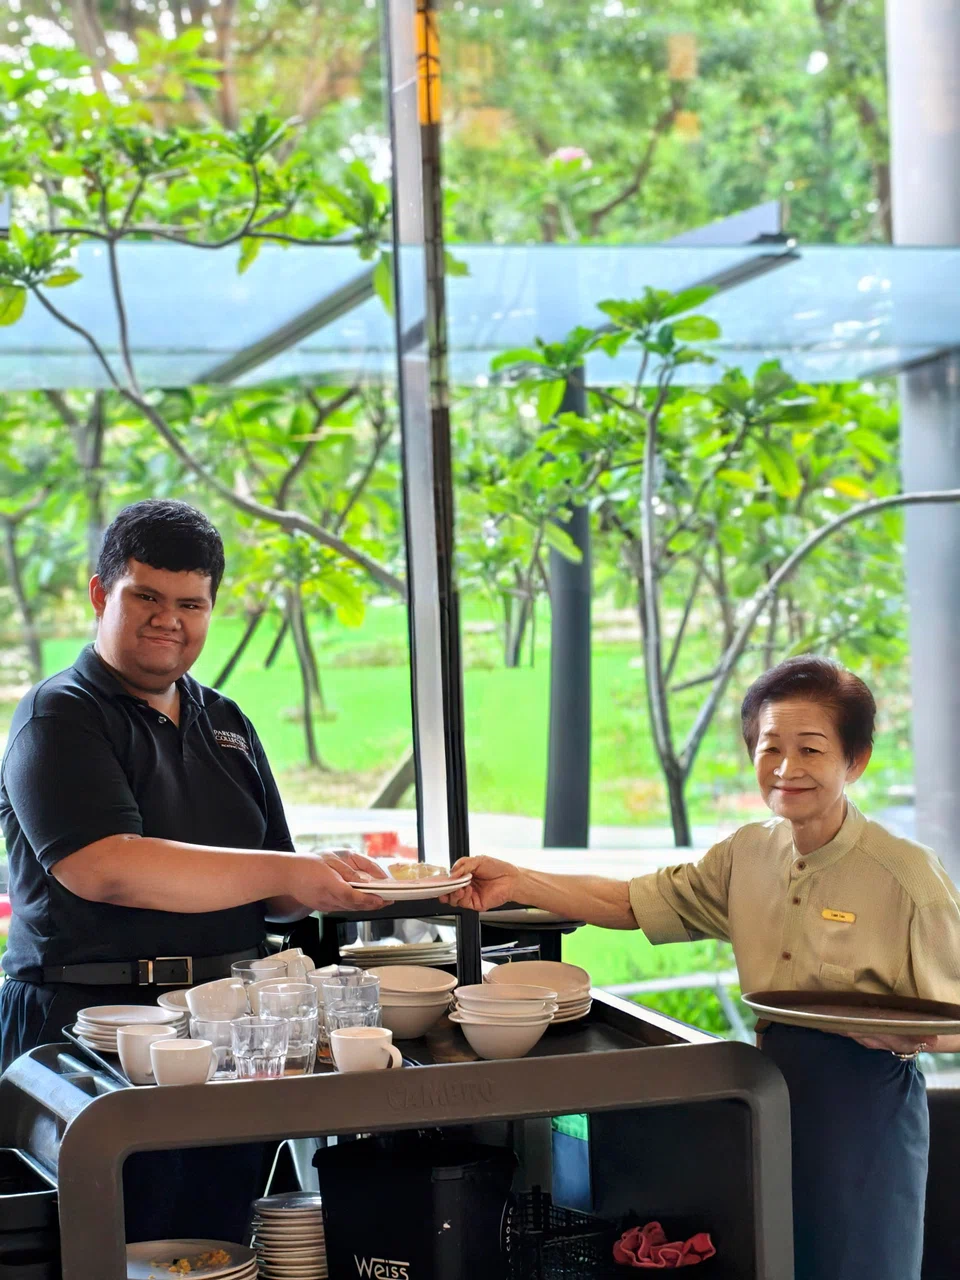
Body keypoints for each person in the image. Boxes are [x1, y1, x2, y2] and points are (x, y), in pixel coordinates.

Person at [447, 656, 960, 1280]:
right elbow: (631, 902)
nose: (787, 768)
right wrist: (519, 881)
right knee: (777, 1260)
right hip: (766, 1093)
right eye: (770, 748)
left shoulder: (907, 875)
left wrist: (911, 1036)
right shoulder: (748, 853)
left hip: (866, 1107)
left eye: (810, 749)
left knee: (860, 1263)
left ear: (856, 761)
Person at [0, 499, 385, 1237]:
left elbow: (276, 890)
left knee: (220, 1248)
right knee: (111, 1249)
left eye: (190, 604)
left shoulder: (227, 721)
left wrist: (330, 883)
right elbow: (105, 867)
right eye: (145, 596)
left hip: (229, 1035)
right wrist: (286, 873)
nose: (167, 620)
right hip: (88, 1035)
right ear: (100, 594)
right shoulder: (59, 715)